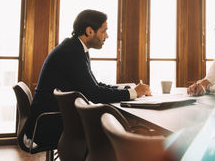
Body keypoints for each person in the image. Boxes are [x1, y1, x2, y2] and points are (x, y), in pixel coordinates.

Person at [24, 9, 151, 147]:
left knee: (112, 125)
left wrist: (129, 89)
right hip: (49, 125)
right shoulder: (72, 52)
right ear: (89, 31)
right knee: (116, 131)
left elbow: (93, 85)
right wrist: (134, 93)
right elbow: (95, 94)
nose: (107, 36)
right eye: (103, 31)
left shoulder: (76, 48)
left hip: (54, 119)